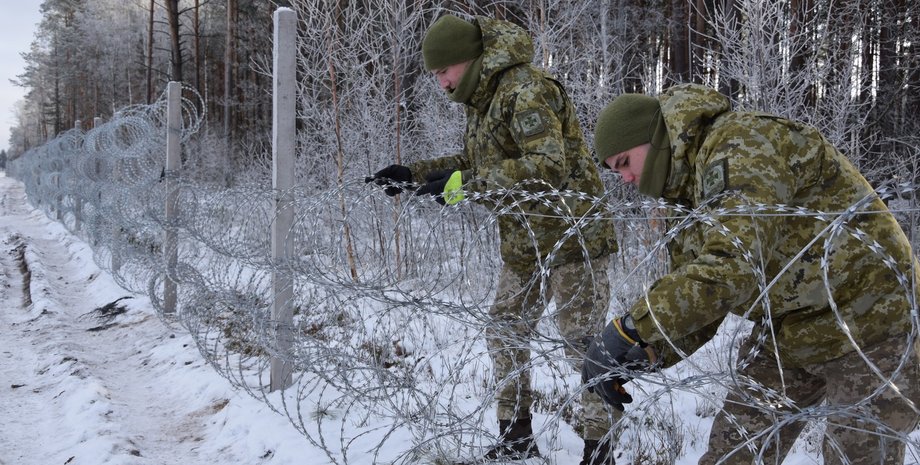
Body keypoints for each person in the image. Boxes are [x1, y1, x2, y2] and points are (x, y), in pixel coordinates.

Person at [581, 83, 920, 464]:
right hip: (790, 333)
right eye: (615, 172)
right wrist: (646, 351)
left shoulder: (740, 144)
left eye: (625, 162)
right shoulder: (687, 193)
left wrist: (630, 326)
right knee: (733, 454)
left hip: (872, 320)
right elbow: (703, 295)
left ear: (653, 137)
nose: (626, 179)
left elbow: (732, 267)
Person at [366, 14, 619, 465]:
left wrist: (466, 184)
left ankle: (599, 453)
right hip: (525, 239)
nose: (440, 83)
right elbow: (475, 160)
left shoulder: (526, 90)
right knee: (505, 329)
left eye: (443, 71)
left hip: (572, 234)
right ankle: (515, 436)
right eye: (435, 75)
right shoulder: (483, 98)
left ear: (468, 60)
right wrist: (415, 174)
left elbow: (547, 166)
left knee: (582, 342)